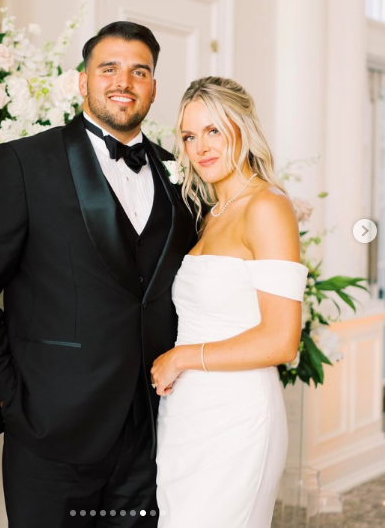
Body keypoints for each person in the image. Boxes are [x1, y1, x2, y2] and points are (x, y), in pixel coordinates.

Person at [0, 21, 196, 527]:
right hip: (50, 428)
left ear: (152, 87)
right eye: (109, 68)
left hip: (152, 428)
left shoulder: (178, 174)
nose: (124, 81)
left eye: (139, 71)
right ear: (83, 81)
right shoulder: (22, 164)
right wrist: (7, 398)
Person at [151, 76, 308, 528]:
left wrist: (182, 358)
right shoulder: (211, 212)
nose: (201, 146)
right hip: (188, 414)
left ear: (242, 127)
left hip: (237, 415)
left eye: (213, 130)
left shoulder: (267, 206)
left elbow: (282, 341)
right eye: (189, 135)